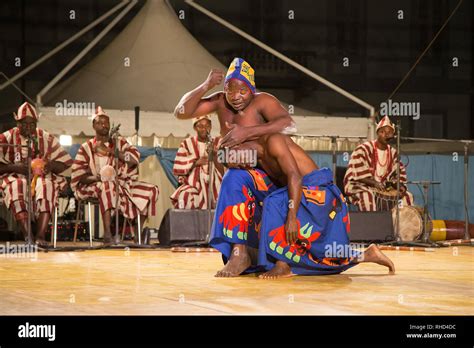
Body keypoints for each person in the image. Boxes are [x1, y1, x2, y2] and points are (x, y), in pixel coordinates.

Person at [210, 133, 395, 279]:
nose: (240, 165)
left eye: (237, 160)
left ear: (243, 149)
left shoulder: (273, 142)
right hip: (301, 191)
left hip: (320, 193)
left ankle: (283, 263)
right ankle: (367, 254)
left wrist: (291, 216)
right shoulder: (254, 156)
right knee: (313, 255)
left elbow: (295, 178)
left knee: (275, 203)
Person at [71, 107, 159, 244]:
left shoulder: (119, 143)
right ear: (93, 125)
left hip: (123, 185)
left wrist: (112, 151)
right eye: (100, 122)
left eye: (107, 122)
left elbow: (135, 158)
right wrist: (98, 178)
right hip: (95, 185)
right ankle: (107, 234)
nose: (104, 125)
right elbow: (79, 175)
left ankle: (138, 235)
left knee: (151, 190)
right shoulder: (86, 147)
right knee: (107, 185)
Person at [174, 57, 296, 147]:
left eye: (242, 91)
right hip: (235, 169)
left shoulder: (262, 100)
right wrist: (205, 86)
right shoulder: (220, 101)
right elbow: (180, 112)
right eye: (230, 91)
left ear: (252, 90)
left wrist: (247, 132)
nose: (235, 97)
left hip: (264, 168)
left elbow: (289, 125)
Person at [0, 102, 72, 246]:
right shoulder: (5, 138)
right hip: (15, 177)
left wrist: (50, 165)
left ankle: (40, 236)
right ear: (17, 122)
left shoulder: (46, 137)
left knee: (47, 186)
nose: (28, 128)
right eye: (24, 124)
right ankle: (28, 237)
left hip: (41, 177)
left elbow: (64, 163)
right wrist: (16, 167)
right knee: (18, 186)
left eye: (32, 124)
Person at [343, 116, 414, 211]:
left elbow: (397, 175)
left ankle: (400, 225)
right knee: (367, 196)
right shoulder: (364, 149)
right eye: (382, 132)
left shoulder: (393, 153)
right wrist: (375, 183)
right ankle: (371, 225)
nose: (386, 135)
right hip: (360, 185)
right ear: (377, 133)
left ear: (393, 135)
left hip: (383, 187)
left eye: (389, 132)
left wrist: (400, 186)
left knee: (407, 196)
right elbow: (357, 175)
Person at [170, 115, 224, 209]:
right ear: (195, 128)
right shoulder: (186, 143)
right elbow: (178, 167)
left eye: (207, 126)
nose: (204, 129)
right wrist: (196, 162)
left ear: (211, 127)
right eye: (200, 126)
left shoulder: (218, 142)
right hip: (193, 185)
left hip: (216, 185)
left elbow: (224, 170)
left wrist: (214, 155)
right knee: (185, 195)